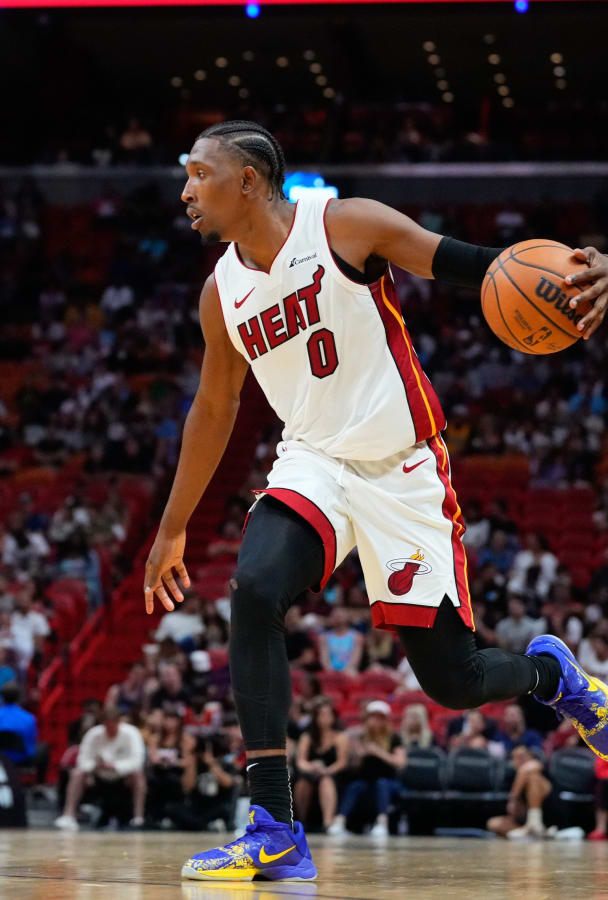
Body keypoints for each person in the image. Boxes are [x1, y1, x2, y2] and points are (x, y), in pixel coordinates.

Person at [142, 120, 608, 882]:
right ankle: (273, 826)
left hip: (402, 469)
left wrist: (584, 273)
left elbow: (482, 268)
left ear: (249, 180)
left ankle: (555, 680)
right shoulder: (220, 293)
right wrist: (172, 529)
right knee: (254, 589)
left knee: (454, 682)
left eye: (199, 173)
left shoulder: (346, 226)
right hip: (314, 462)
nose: (186, 190)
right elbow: (214, 408)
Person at [54, 707, 146, 831]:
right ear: (103, 723)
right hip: (97, 776)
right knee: (77, 773)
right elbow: (82, 761)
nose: (110, 728)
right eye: (107, 725)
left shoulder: (131, 733)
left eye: (113, 725)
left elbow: (137, 761)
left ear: (119, 722)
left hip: (123, 776)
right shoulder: (93, 734)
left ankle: (138, 818)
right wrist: (95, 766)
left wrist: (116, 766)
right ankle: (68, 815)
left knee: (138, 775)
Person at [328, 701, 405, 838]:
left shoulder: (394, 738)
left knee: (381, 784)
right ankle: (339, 821)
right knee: (354, 786)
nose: (375, 721)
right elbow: (354, 768)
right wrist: (358, 755)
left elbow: (400, 762)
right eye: (372, 717)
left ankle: (382, 823)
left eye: (379, 717)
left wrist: (378, 752)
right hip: (367, 781)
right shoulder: (360, 737)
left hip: (389, 782)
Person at [294, 699, 348, 831]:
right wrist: (311, 767)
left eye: (328, 714)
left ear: (334, 717)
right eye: (321, 714)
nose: (325, 718)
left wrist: (327, 770)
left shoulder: (340, 737)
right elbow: (300, 761)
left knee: (326, 781)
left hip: (332, 773)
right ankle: (302, 820)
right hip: (310, 772)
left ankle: (327, 822)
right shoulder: (307, 736)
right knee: (303, 783)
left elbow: (342, 762)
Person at [486, 744, 551, 839]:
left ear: (531, 757)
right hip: (523, 820)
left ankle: (535, 822)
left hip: (546, 816)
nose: (520, 760)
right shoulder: (509, 775)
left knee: (533, 778)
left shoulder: (537, 767)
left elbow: (530, 766)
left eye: (522, 756)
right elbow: (512, 812)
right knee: (493, 823)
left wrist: (513, 798)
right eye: (516, 758)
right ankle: (532, 833)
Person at [0, 682, 38, 766]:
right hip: (21, 760)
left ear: (2, 697)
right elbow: (31, 743)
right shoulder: (29, 718)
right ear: (18, 697)